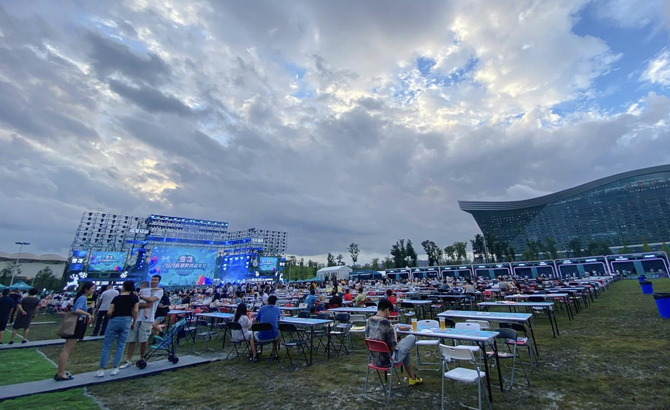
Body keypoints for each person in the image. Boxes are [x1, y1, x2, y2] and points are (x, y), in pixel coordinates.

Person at [366, 298, 422, 385]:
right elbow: (393, 347)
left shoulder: (369, 320)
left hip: (374, 359)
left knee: (404, 350)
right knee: (411, 337)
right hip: (389, 360)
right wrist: (394, 333)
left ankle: (412, 378)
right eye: (390, 312)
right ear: (387, 310)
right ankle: (413, 378)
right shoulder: (386, 323)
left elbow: (368, 339)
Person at [96, 280, 139, 377]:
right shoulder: (134, 298)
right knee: (121, 345)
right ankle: (115, 367)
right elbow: (135, 311)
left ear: (123, 287)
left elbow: (109, 312)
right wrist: (133, 322)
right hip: (127, 321)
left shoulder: (117, 298)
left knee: (106, 345)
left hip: (114, 320)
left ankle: (101, 369)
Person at [120, 275, 164, 369]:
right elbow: (137, 304)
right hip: (137, 317)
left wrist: (141, 299)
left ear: (158, 281)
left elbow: (151, 301)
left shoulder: (159, 291)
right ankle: (128, 359)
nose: (153, 281)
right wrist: (143, 303)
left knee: (144, 339)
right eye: (152, 279)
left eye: (155, 280)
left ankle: (142, 358)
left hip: (148, 319)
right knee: (132, 339)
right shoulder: (145, 290)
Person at [56, 281, 94, 381]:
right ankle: (61, 373)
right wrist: (87, 314)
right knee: (67, 350)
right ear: (87, 289)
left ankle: (60, 372)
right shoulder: (83, 298)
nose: (93, 290)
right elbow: (77, 310)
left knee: (66, 349)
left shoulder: (81, 297)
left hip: (76, 323)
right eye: (92, 288)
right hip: (77, 323)